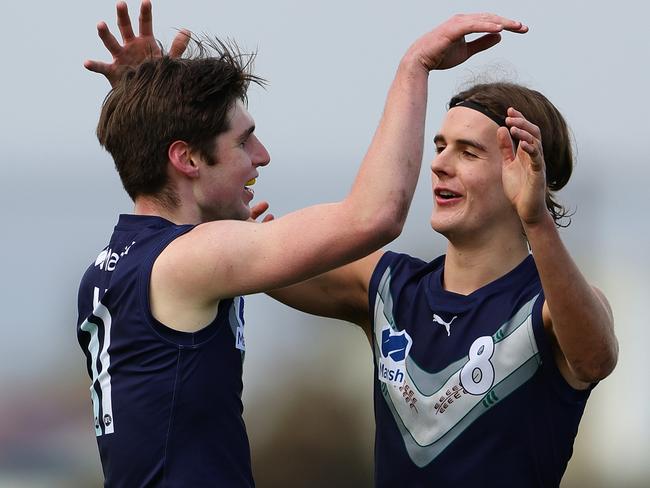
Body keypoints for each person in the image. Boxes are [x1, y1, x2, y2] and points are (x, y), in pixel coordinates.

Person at [79, 1, 529, 486]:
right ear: (186, 158)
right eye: (243, 141)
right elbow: (375, 216)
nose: (262, 156)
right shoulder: (191, 258)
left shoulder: (111, 266)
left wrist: (146, 102)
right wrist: (414, 65)